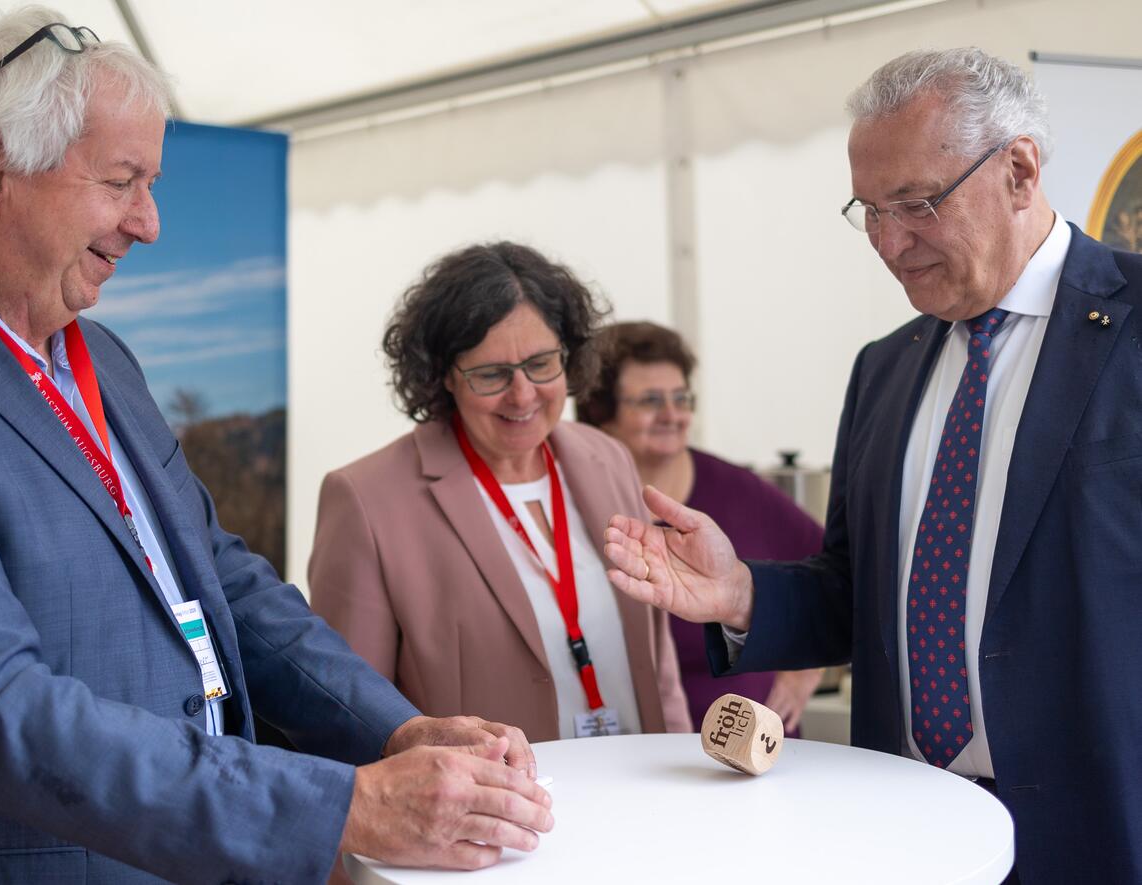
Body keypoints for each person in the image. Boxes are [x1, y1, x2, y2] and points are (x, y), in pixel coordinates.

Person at [0, 10, 551, 884]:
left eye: (151, 184)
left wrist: (391, 726)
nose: (149, 223)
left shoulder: (105, 362)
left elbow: (217, 573)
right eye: (122, 180)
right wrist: (343, 806)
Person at [604, 48, 1142, 884]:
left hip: (1105, 830)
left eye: (918, 204)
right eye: (870, 210)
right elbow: (863, 588)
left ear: (1021, 171)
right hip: (902, 826)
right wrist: (741, 593)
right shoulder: (885, 367)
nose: (890, 243)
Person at [309, 242, 691, 743]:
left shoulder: (607, 458)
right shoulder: (368, 499)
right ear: (444, 376)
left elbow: (657, 661)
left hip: (641, 791)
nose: (524, 394)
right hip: (493, 813)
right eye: (492, 374)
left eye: (541, 364)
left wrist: (686, 761)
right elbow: (348, 712)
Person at [576, 320, 824, 733]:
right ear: (602, 412)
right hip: (625, 748)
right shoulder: (572, 495)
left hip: (743, 753)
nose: (672, 415)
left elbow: (836, 574)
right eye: (651, 401)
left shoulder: (739, 490)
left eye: (681, 398)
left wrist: (806, 671)